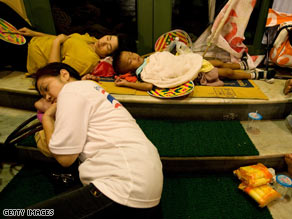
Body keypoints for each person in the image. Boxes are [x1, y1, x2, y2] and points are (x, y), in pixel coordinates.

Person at [30, 62, 163, 218]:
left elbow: (64, 159)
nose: (47, 97)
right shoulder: (92, 89)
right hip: (144, 184)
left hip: (124, 187)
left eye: (46, 88)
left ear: (64, 75)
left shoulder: (71, 91)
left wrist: (47, 118)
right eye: (43, 95)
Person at [112, 51, 275, 91]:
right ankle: (256, 75)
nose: (134, 56)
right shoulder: (144, 73)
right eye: (130, 61)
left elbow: (167, 57)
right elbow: (149, 86)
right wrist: (127, 84)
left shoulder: (148, 57)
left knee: (218, 62)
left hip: (190, 60)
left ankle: (244, 65)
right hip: (193, 70)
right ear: (130, 70)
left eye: (131, 53)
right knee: (226, 73)